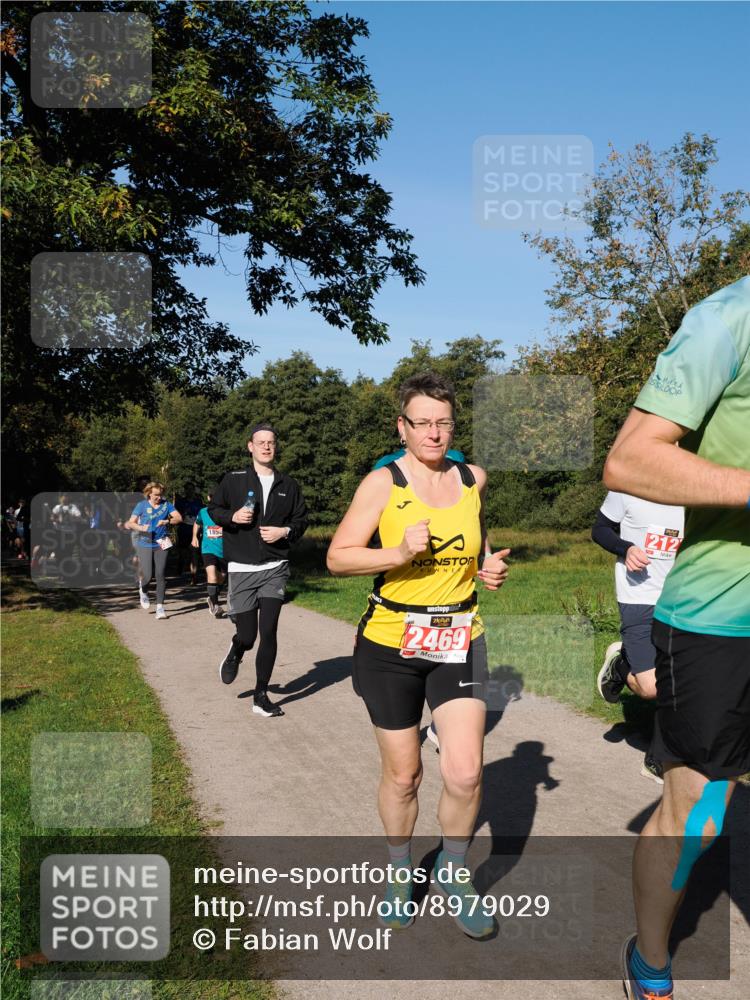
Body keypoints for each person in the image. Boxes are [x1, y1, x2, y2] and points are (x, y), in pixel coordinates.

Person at [603, 275, 750, 1000]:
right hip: (723, 620)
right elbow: (630, 460)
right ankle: (650, 961)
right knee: (698, 812)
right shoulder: (729, 318)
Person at [327, 372, 510, 939]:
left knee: (465, 769)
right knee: (404, 775)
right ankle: (400, 870)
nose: (434, 432)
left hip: (459, 636)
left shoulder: (471, 478)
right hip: (390, 644)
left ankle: (454, 873)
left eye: (444, 422)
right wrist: (398, 550)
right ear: (402, 427)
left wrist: (487, 568)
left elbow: (472, 541)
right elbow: (337, 557)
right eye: (422, 422)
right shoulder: (382, 484)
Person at [209, 422, 308, 718]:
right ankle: (238, 648)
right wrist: (232, 516)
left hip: (275, 567)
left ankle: (261, 695)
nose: (267, 446)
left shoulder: (288, 485)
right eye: (261, 442)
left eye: (272, 442)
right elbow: (213, 509)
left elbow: (302, 520)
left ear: (276, 447)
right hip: (241, 567)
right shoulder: (234, 480)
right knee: (249, 634)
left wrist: (285, 532)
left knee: (269, 630)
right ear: (250, 446)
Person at [591, 491, 684, 782]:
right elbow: (600, 529)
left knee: (680, 679)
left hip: (681, 596)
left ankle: (657, 759)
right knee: (651, 688)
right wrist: (626, 548)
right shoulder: (627, 487)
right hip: (639, 596)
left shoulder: (692, 490)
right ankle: (621, 664)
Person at [124, 482, 182, 620]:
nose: (158, 497)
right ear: (149, 493)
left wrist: (167, 521)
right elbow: (130, 522)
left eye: (160, 494)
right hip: (145, 543)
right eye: (156, 495)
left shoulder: (166, 505)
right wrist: (141, 528)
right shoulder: (141, 505)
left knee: (161, 573)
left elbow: (179, 518)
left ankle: (160, 608)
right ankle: (143, 589)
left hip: (161, 542)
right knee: (148, 575)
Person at [192, 493, 226, 617]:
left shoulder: (226, 512)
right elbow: (197, 523)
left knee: (222, 576)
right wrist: (194, 537)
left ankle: (212, 597)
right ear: (208, 498)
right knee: (212, 575)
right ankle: (215, 605)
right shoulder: (203, 511)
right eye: (212, 497)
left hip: (223, 550)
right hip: (207, 548)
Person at [176, 483, 202, 584]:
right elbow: (175, 517)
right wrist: (184, 513)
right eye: (188, 489)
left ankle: (194, 577)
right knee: (183, 553)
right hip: (183, 529)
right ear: (185, 490)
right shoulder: (180, 502)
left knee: (194, 553)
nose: (190, 491)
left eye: (192, 489)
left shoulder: (198, 501)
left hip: (195, 530)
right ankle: (180, 565)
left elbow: (201, 514)